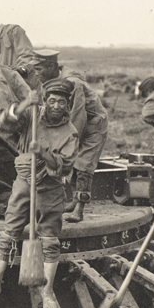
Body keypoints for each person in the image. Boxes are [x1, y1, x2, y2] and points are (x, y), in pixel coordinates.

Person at [0, 79, 79, 308]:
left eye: (61, 102)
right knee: (8, 232)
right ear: (45, 100)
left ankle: (47, 291)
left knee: (49, 239)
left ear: (67, 104)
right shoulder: (33, 115)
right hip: (23, 182)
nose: (55, 105)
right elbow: (4, 122)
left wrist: (44, 154)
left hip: (50, 188)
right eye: (51, 100)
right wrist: (25, 104)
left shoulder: (69, 133)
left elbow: (64, 167)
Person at [29, 49, 108, 222]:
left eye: (39, 69)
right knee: (72, 161)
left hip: (93, 126)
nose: (36, 73)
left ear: (51, 66)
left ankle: (79, 209)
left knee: (83, 165)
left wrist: (66, 141)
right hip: (78, 124)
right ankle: (73, 200)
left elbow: (78, 115)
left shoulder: (73, 83)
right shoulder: (51, 82)